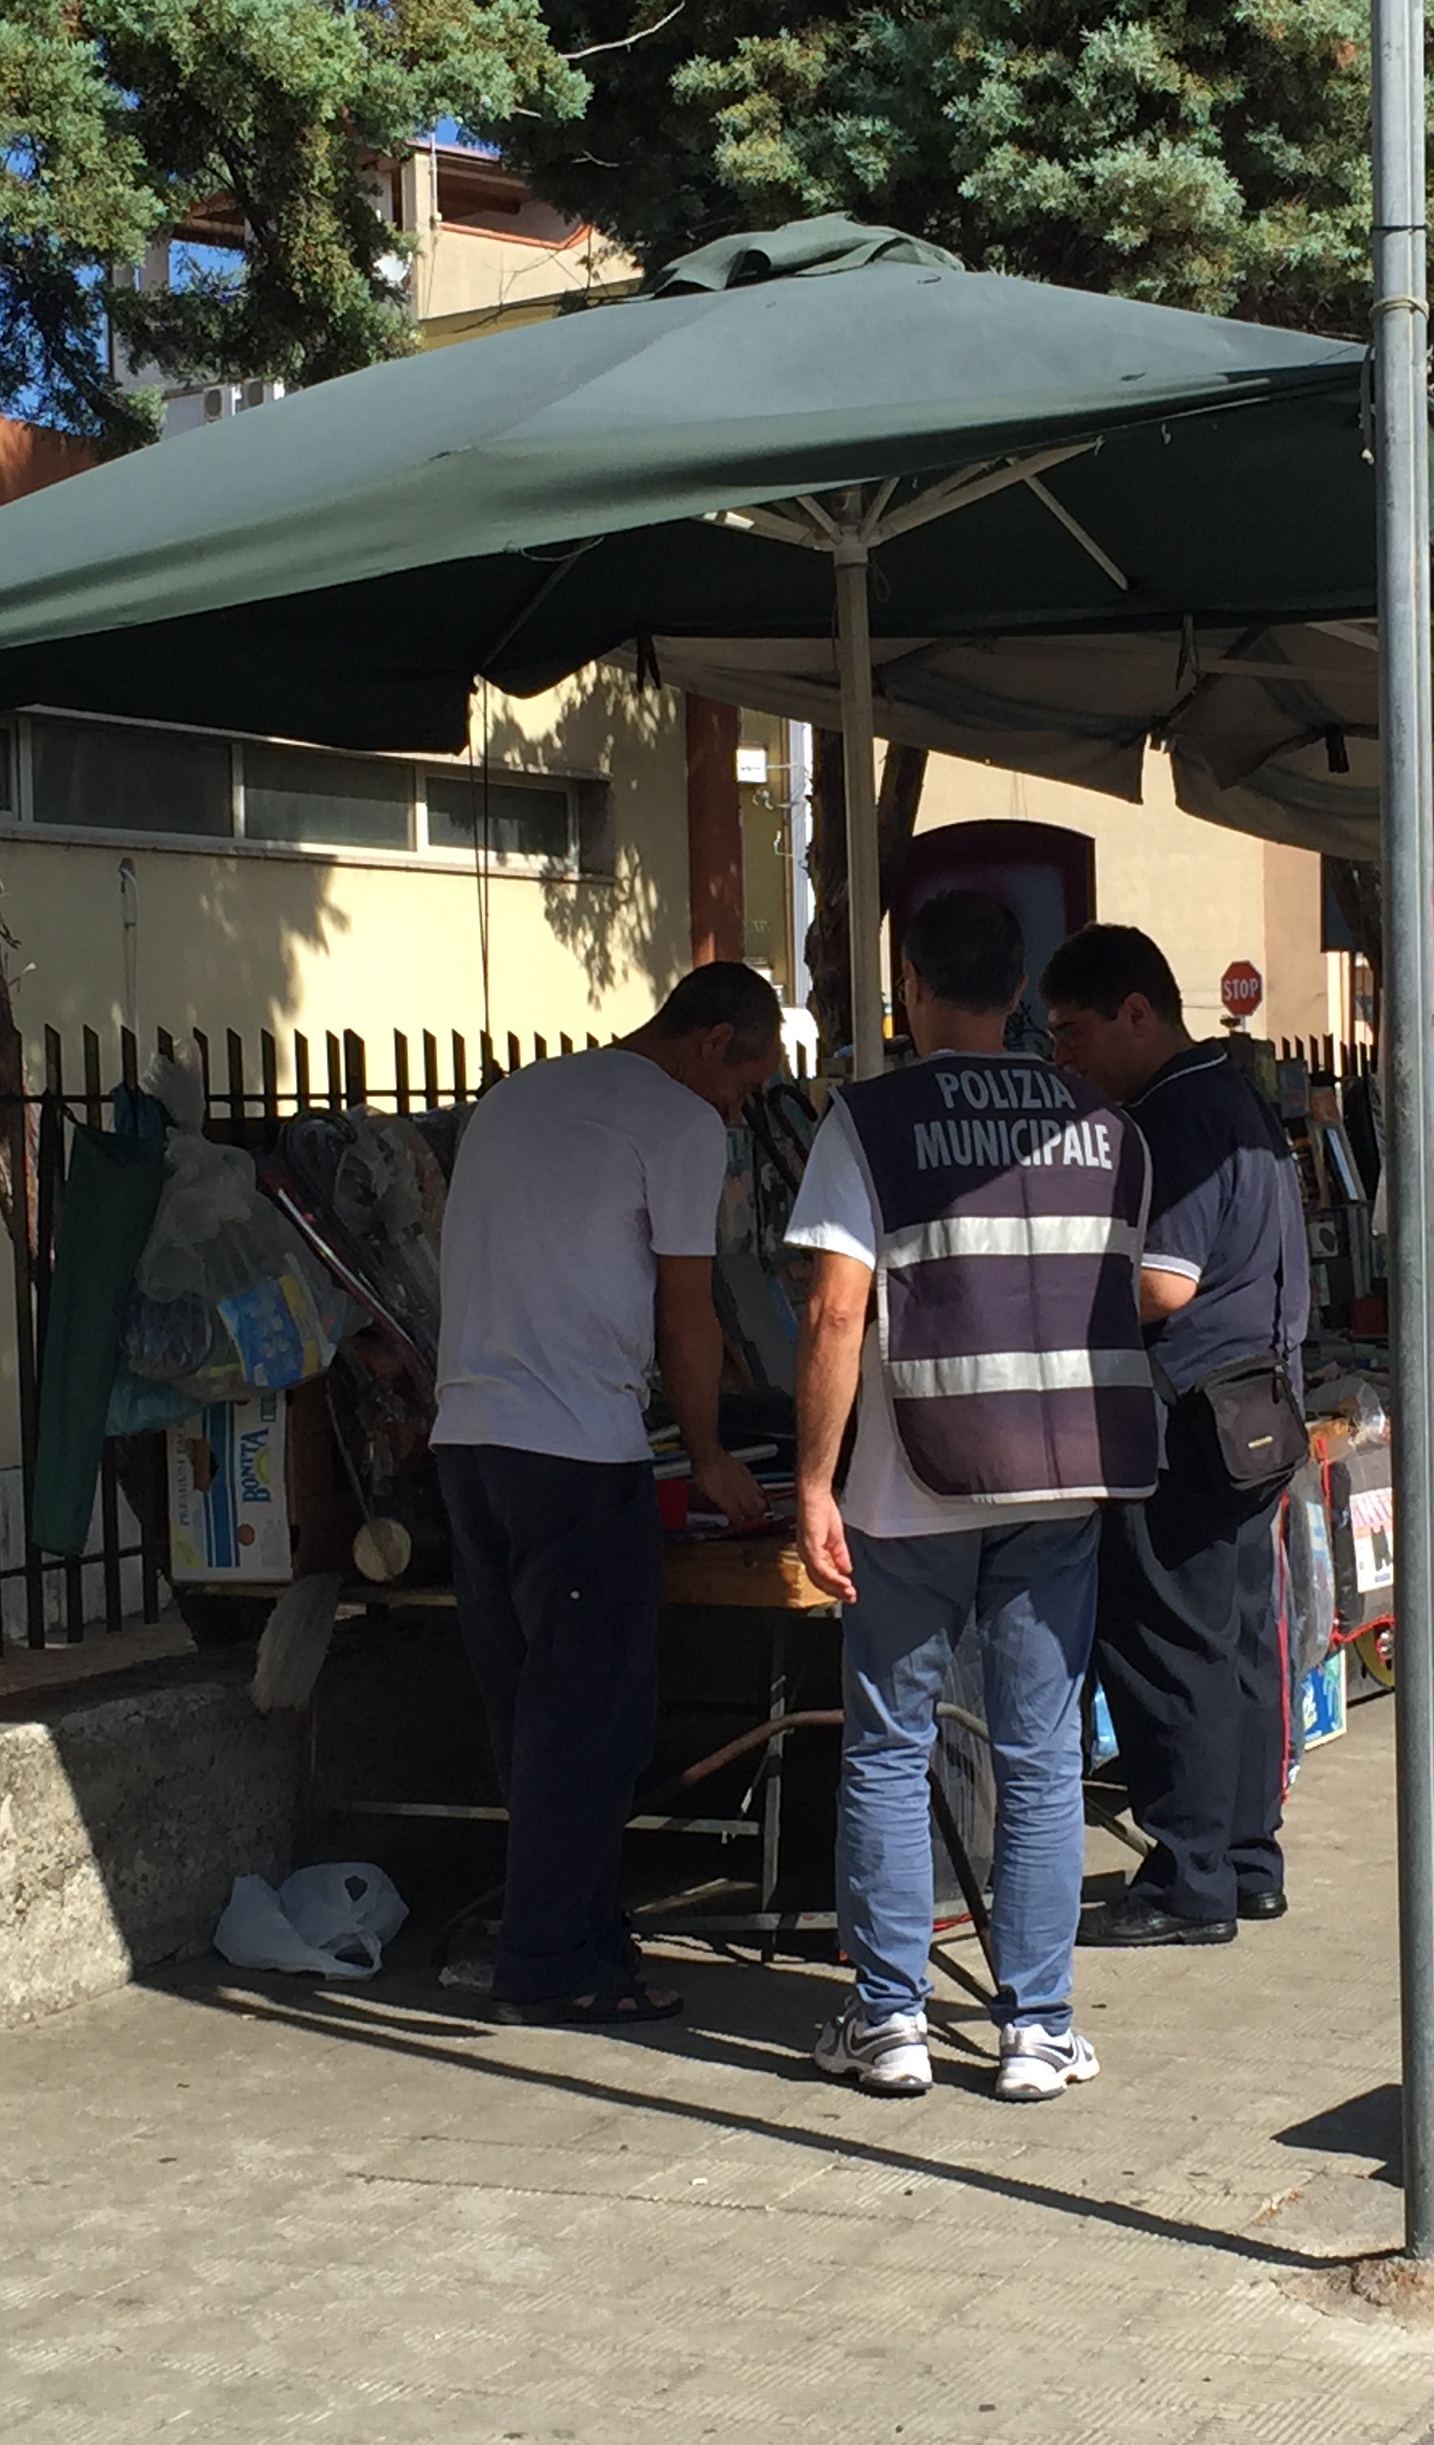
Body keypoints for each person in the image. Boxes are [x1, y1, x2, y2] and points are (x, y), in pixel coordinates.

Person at [788, 890, 1156, 2101]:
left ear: (910, 985)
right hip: (1062, 1477)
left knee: (892, 1749)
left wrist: (811, 1481)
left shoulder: (869, 1121)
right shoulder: (1110, 1125)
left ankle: (890, 2021)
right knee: (1041, 1758)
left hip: (910, 1486)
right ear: (1017, 990)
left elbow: (837, 1310)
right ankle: (1036, 2030)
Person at [432, 964, 780, 2025]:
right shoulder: (675, 1122)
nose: (741, 1107)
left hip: (469, 1442)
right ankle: (548, 1961)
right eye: (746, 1080)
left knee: (531, 1712)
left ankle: (581, 1934)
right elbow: (686, 1312)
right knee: (593, 1721)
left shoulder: (519, 1096)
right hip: (576, 1451)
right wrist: (714, 1453)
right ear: (714, 1039)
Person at [1039, 923, 1310, 1946]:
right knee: (1236, 1643)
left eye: (1072, 1033)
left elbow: (1162, 1284)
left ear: (1136, 1014)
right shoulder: (1236, 1101)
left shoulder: (1168, 1118)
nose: (1062, 1055)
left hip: (1179, 1420)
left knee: (1169, 1650)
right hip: (1248, 1411)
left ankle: (1190, 1876)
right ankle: (1246, 1857)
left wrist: (1044, 1287)